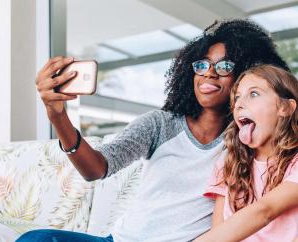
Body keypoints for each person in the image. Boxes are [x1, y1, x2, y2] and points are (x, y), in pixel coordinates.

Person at [17, 19, 288, 242]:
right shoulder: (160, 124)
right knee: (36, 239)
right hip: (120, 239)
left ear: (246, 75)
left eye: (225, 66)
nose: (209, 74)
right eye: (202, 65)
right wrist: (57, 115)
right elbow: (95, 169)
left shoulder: (248, 137)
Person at [194, 65, 298, 242]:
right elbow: (220, 230)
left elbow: (265, 210)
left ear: (286, 108)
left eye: (254, 94)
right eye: (237, 97)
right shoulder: (229, 162)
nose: (239, 104)